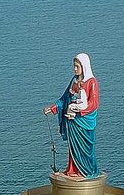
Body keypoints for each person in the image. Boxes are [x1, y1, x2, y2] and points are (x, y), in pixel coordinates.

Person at [42, 51, 101, 179]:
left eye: (77, 66)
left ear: (84, 66)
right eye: (74, 66)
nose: (75, 69)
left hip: (84, 120)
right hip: (72, 120)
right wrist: (52, 108)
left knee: (86, 147)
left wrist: (79, 110)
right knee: (73, 146)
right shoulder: (74, 80)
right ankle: (73, 169)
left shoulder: (92, 82)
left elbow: (94, 103)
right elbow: (64, 98)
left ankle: (88, 170)